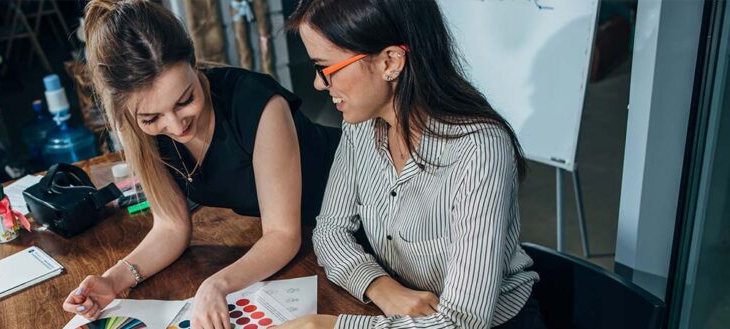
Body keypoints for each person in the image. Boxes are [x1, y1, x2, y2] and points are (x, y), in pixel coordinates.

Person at [61, 1, 340, 328]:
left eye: (185, 101)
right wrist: (115, 279)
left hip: (366, 209)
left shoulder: (255, 103)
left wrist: (216, 284)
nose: (176, 125)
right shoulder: (144, 132)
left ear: (193, 62)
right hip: (314, 241)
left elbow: (281, 235)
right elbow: (171, 227)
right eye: (152, 118)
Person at [277, 0, 545, 328]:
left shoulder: (479, 149)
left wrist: (328, 327)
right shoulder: (360, 124)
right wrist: (382, 288)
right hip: (399, 312)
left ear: (390, 61)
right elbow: (331, 231)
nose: (319, 84)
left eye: (325, 69)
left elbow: (463, 321)